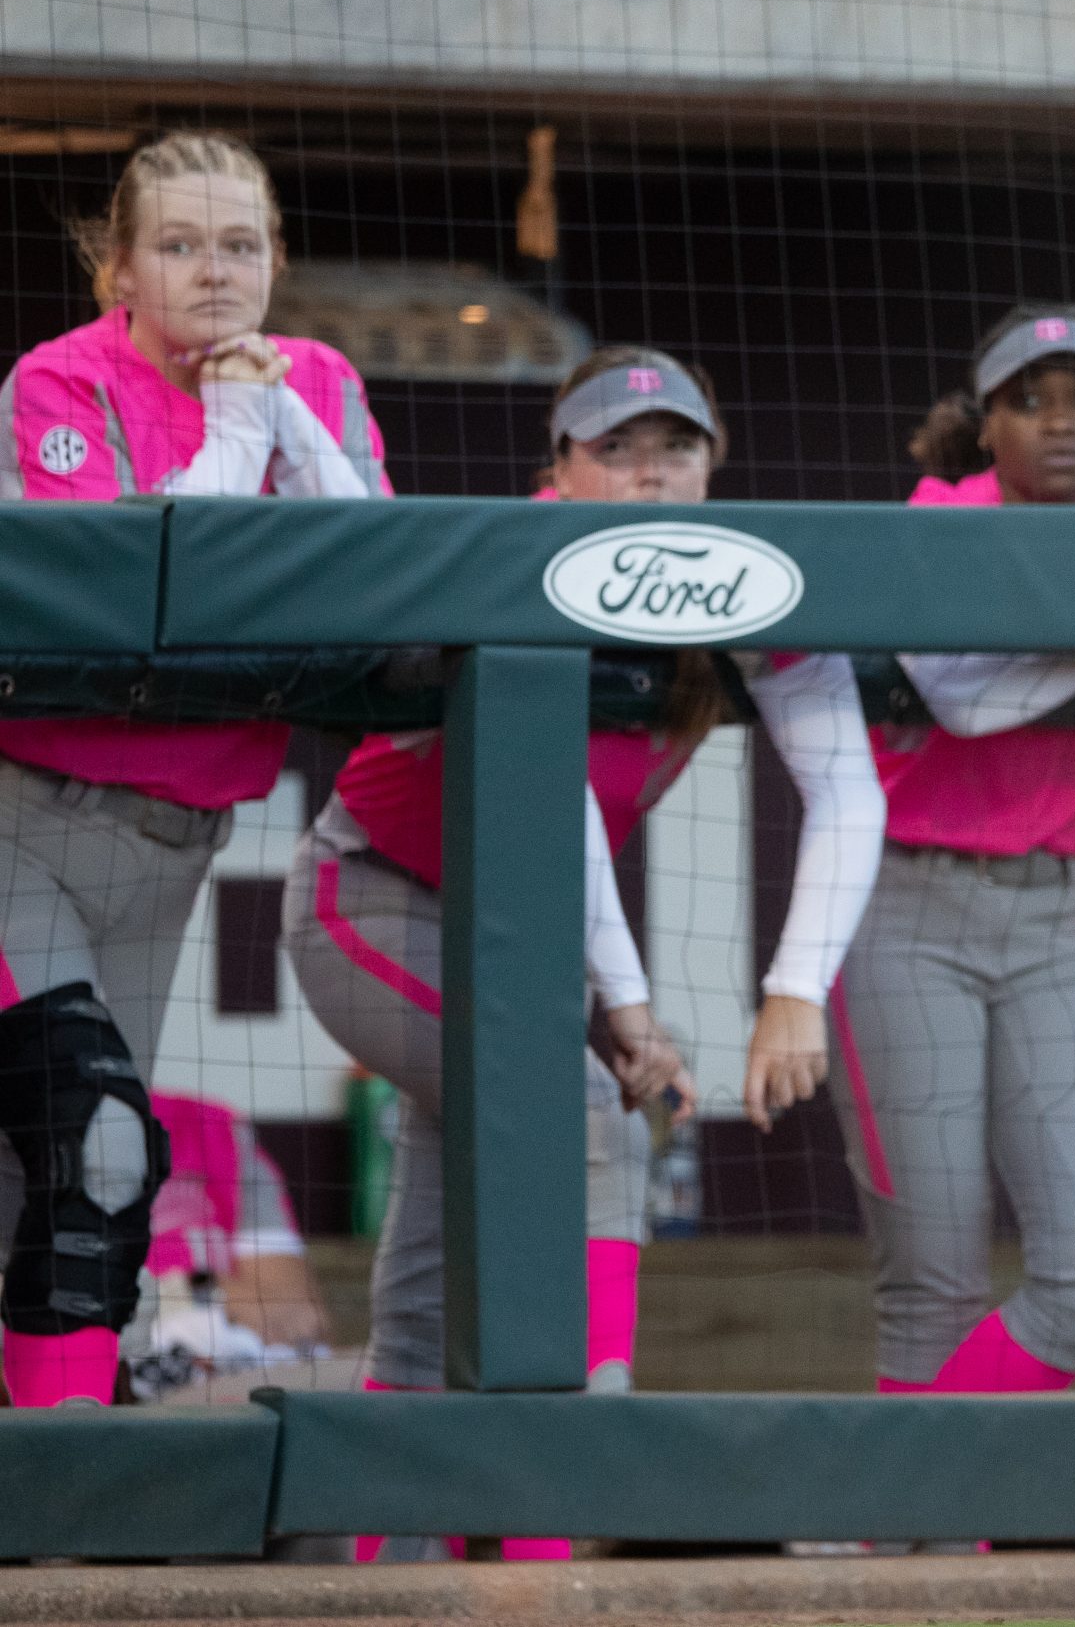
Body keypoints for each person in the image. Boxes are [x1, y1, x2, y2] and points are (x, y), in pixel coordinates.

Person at [284, 348, 884, 1557]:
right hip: (376, 894)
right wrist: (628, 1007)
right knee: (581, 1114)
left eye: (676, 445)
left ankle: (380, 1549)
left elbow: (848, 789)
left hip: (518, 933)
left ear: (714, 465)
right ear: (558, 465)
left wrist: (792, 990)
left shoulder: (744, 583)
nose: (649, 468)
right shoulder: (530, 551)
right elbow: (551, 812)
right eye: (615, 445)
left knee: (429, 1277)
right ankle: (572, 1495)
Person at [0, 130, 388, 1410]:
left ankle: (55, 1495)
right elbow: (133, 602)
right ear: (118, 268)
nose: (215, 271)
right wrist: (231, 427)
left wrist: (277, 418)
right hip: (25, 822)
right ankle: (57, 1487)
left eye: (241, 244)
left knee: (57, 1171)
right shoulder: (57, 382)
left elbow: (387, 579)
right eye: (179, 244)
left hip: (179, 847)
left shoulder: (318, 379)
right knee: (94, 1141)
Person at [826, 305, 1075, 1396]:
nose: (1059, 423)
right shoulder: (940, 513)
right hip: (906, 908)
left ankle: (910, 1496)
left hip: (1059, 914)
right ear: (984, 427)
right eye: (1029, 401)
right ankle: (922, 1557)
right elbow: (962, 701)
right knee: (933, 1278)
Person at [126, 1090, 331, 1400]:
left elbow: (295, 1313)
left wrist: (181, 1292)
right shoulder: (37, 1132)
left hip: (235, 1385)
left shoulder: (209, 1127)